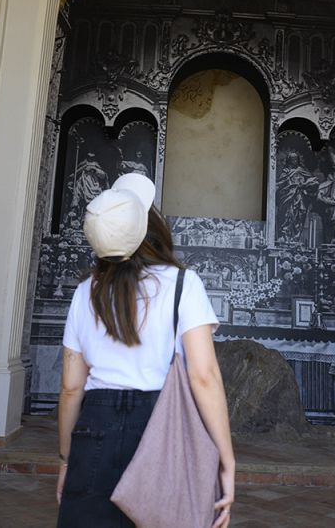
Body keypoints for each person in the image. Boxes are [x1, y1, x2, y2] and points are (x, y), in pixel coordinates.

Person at [56, 174, 235, 527]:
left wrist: (66, 458)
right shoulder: (183, 283)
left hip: (95, 427)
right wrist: (225, 458)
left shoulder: (84, 292)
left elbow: (71, 388)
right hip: (160, 424)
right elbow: (203, 376)